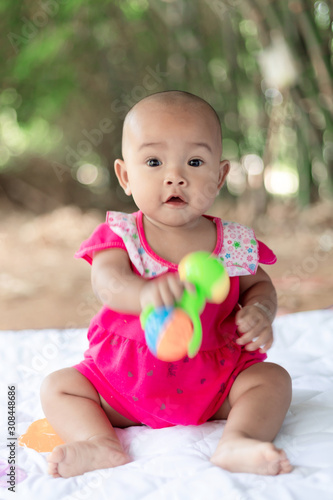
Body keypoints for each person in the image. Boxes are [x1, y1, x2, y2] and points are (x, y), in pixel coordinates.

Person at [40, 90, 292, 478]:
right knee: (59, 388)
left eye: (194, 161)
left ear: (220, 176)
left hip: (215, 384)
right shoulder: (122, 234)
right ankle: (99, 442)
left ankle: (239, 439)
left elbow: (260, 286)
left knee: (272, 381)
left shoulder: (234, 242)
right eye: (154, 161)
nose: (175, 176)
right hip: (123, 384)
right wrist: (141, 293)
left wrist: (260, 310)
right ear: (125, 176)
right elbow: (106, 282)